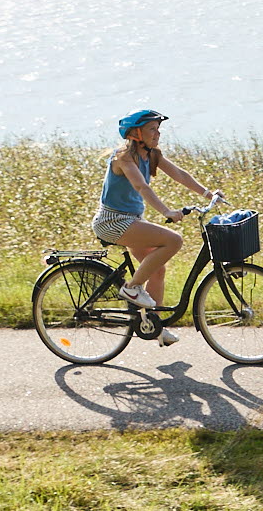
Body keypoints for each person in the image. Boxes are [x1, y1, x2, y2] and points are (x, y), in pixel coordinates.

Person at [92, 107, 216, 346]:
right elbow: (142, 187)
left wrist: (208, 193)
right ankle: (132, 287)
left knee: (158, 269)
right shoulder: (123, 157)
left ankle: (155, 326)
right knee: (173, 240)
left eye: (158, 129)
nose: (157, 134)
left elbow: (179, 174)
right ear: (136, 133)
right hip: (111, 222)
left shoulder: (152, 155)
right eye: (152, 129)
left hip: (132, 220)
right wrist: (167, 212)